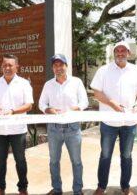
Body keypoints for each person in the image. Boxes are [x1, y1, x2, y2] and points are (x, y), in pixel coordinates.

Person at [90, 41, 137, 195]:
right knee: (105, 155)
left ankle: (125, 186)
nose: (120, 53)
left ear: (129, 53)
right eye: (117, 50)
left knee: (126, 156)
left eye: (123, 50)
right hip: (109, 122)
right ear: (114, 53)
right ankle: (101, 186)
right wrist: (112, 103)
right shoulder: (103, 70)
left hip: (129, 122)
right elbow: (97, 93)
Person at [39, 54, 89, 195]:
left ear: (66, 66)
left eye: (61, 65)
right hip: (54, 128)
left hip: (72, 128)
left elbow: (84, 102)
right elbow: (41, 103)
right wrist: (48, 109)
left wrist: (76, 108)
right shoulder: (48, 85)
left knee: (76, 161)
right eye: (55, 65)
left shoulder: (76, 82)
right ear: (52, 68)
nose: (58, 68)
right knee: (54, 161)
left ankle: (78, 190)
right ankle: (56, 189)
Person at [0, 54, 33, 195]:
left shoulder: (24, 83)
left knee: (20, 160)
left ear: (17, 66)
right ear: (1, 67)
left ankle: (23, 187)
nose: (7, 68)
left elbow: (29, 105)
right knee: (0, 161)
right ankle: (0, 187)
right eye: (5, 65)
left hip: (18, 129)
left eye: (10, 65)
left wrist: (12, 111)